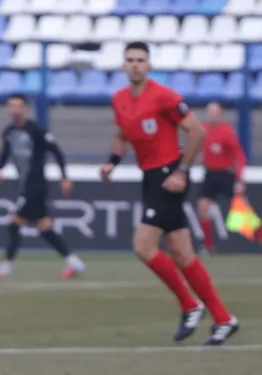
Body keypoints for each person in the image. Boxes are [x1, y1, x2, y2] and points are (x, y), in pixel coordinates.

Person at [102, 42, 239, 346]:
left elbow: (197, 131)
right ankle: (224, 319)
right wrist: (112, 162)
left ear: (149, 66)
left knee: (143, 247)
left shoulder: (164, 96)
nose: (135, 65)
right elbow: (122, 134)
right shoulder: (119, 100)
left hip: (169, 176)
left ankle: (191, 306)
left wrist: (182, 171)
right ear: (123, 66)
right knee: (181, 252)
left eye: (141, 60)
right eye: (130, 60)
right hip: (150, 178)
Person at [0, 94, 86, 280]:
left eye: (18, 106)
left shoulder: (37, 131)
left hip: (36, 185)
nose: (14, 110)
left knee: (15, 224)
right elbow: (5, 152)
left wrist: (65, 177)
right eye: (11, 106)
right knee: (44, 227)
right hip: (24, 184)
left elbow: (57, 152)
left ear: (25, 109)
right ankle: (74, 262)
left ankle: (5, 267)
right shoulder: (8, 132)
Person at [197, 102, 247, 254]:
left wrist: (239, 179)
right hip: (210, 174)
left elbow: (239, 155)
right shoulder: (203, 130)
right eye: (210, 113)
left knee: (243, 207)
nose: (212, 116)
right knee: (202, 208)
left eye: (215, 113)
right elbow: (200, 148)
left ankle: (256, 238)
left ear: (220, 115)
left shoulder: (227, 132)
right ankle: (208, 246)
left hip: (225, 174)